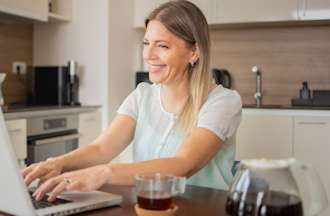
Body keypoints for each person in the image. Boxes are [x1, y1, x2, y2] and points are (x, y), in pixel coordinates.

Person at [22, 0, 242, 202]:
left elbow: (183, 165)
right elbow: (101, 149)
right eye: (147, 43)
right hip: (149, 208)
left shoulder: (222, 102)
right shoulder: (142, 96)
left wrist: (105, 172)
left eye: (162, 46)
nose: (148, 54)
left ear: (194, 52)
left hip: (203, 210)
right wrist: (57, 163)